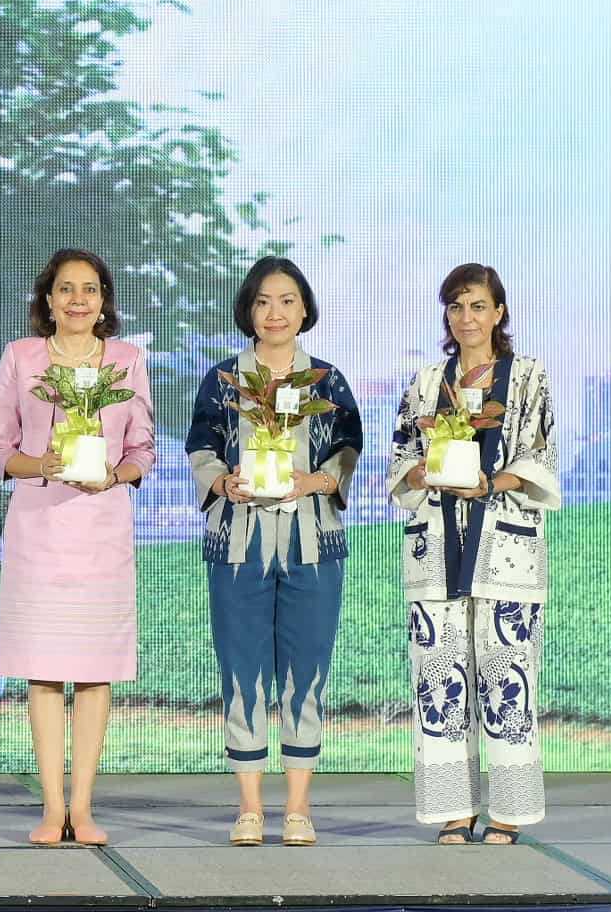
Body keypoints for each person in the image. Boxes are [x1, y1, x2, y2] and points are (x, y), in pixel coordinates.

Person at [184, 257, 362, 847]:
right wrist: (221, 482)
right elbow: (202, 446)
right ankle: (250, 807)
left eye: (287, 300)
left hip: (314, 543)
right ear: (248, 311)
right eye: (263, 301)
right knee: (241, 670)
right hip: (239, 543)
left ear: (305, 309)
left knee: (307, 671)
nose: (275, 312)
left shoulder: (328, 381)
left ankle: (299, 807)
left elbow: (347, 449)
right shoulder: (223, 379)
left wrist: (317, 481)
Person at [0, 249, 155, 846]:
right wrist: (42, 463)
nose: (78, 300)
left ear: (104, 300)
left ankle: (82, 808)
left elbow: (143, 451)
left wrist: (113, 475)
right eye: (66, 289)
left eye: (90, 289)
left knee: (93, 673)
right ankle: (50, 809)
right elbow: (0, 447)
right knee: (44, 672)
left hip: (101, 530)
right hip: (39, 528)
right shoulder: (21, 358)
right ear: (48, 300)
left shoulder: (128, 360)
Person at [390, 263, 558, 846]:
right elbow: (401, 454)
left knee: (507, 675)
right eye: (457, 306)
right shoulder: (426, 380)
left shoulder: (529, 378)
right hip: (435, 546)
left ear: (499, 312)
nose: (467, 317)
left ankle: (508, 811)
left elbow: (542, 454)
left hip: (507, 551)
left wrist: (492, 482)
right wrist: (422, 470)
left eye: (478, 305)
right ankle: (452, 811)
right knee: (437, 679)